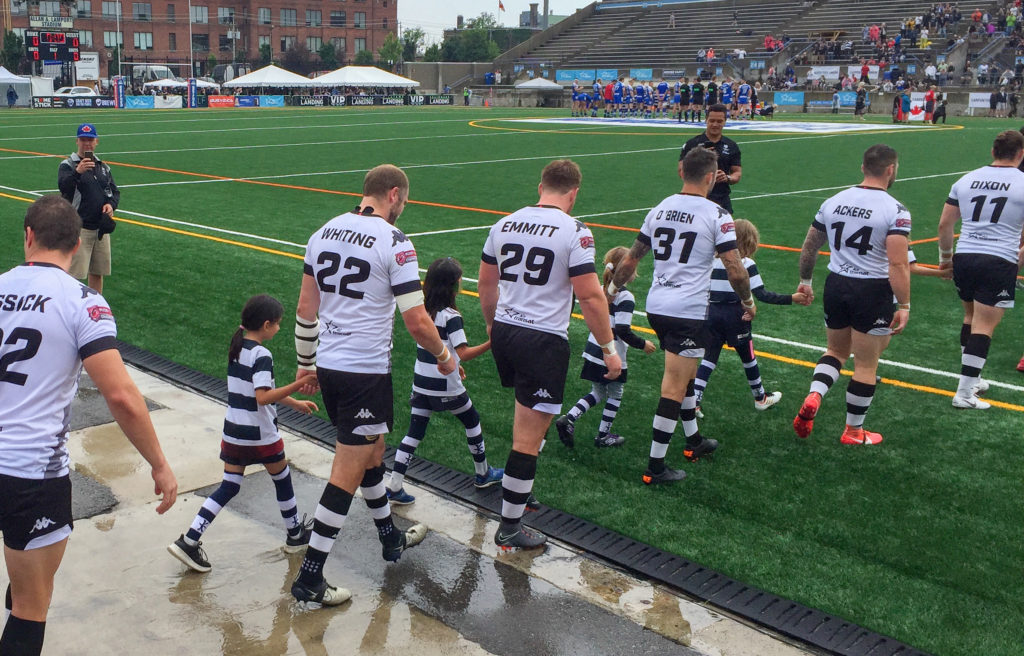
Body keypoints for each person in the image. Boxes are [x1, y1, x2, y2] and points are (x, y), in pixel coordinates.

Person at [0, 195, 177, 656]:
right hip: (31, 473)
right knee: (30, 609)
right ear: (78, 245)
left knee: (21, 589)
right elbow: (120, 395)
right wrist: (159, 463)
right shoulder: (85, 303)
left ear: (28, 236)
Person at [289, 164, 455, 606]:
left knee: (374, 450)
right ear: (394, 195)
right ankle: (310, 576)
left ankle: (389, 538)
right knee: (345, 472)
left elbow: (306, 310)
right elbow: (417, 321)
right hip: (364, 372)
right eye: (406, 201)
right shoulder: (395, 242)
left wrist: (306, 365)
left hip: (329, 364)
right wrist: (445, 356)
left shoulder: (323, 231)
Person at [479, 159, 620, 549]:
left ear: (540, 185)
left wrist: (493, 326)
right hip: (541, 338)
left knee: (528, 423)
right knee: (526, 438)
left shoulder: (504, 223)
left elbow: (486, 284)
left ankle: (520, 491)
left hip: (508, 329)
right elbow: (590, 296)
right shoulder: (575, 230)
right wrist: (609, 349)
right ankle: (509, 524)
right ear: (574, 192)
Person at [610, 147, 753, 484]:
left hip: (658, 305)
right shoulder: (718, 214)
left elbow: (631, 259)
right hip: (687, 311)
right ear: (710, 177)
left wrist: (612, 291)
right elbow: (734, 268)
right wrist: (747, 301)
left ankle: (693, 441)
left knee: (685, 375)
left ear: (681, 173)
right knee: (674, 386)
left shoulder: (659, 208)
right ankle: (655, 467)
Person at [167, 294, 318, 573]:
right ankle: (295, 534)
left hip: (234, 432)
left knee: (229, 486)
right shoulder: (262, 354)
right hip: (260, 435)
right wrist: (299, 385)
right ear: (266, 324)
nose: (279, 328)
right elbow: (263, 397)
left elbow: (256, 391)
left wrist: (294, 404)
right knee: (282, 479)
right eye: (277, 324)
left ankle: (190, 539)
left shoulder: (237, 347)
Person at [792, 144, 911, 445]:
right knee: (866, 364)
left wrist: (805, 280)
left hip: (837, 283)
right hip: (872, 289)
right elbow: (897, 263)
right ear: (890, 170)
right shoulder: (895, 210)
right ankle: (854, 431)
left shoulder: (834, 201)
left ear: (862, 168)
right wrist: (905, 303)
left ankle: (815, 395)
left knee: (835, 351)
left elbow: (809, 246)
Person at [386, 257, 502, 504]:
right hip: (446, 386)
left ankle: (394, 485)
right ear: (454, 284)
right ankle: (482, 473)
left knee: (413, 434)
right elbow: (463, 353)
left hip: (421, 383)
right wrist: (493, 343)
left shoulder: (423, 310)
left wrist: (455, 365)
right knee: (472, 421)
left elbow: (437, 347)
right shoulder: (451, 316)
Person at [938, 131, 1024, 408]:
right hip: (997, 260)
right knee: (984, 325)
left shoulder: (966, 179)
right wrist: (1016, 259)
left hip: (965, 255)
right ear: (1021, 153)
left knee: (970, 316)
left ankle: (972, 380)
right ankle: (964, 394)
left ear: (993, 151)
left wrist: (945, 258)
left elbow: (945, 224)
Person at [693, 219, 809, 416]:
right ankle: (760, 397)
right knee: (748, 357)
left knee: (709, 357)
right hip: (736, 316)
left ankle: (694, 401)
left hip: (710, 314)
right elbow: (762, 295)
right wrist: (792, 298)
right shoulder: (746, 264)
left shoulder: (710, 262)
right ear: (750, 241)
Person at [555, 246, 656, 449]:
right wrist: (642, 343)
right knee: (615, 393)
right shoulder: (625, 297)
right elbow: (623, 330)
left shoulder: (602, 290)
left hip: (593, 348)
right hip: (611, 353)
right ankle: (603, 435)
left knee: (598, 391)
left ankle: (569, 418)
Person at [57, 124, 119, 294]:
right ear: (77, 141)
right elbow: (64, 188)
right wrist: (78, 172)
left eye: (90, 140)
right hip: (79, 228)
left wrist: (111, 205)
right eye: (83, 140)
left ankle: (94, 306)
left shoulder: (103, 167)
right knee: (73, 275)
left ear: (96, 142)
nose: (87, 144)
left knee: (98, 273)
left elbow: (113, 192)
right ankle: (69, 308)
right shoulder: (68, 165)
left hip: (100, 228)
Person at [678, 104, 742, 212]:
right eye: (711, 120)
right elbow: (681, 170)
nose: (715, 124)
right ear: (706, 120)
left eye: (719, 121)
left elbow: (737, 173)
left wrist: (727, 177)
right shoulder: (692, 143)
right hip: (696, 198)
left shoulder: (731, 145)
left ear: (725, 122)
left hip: (721, 200)